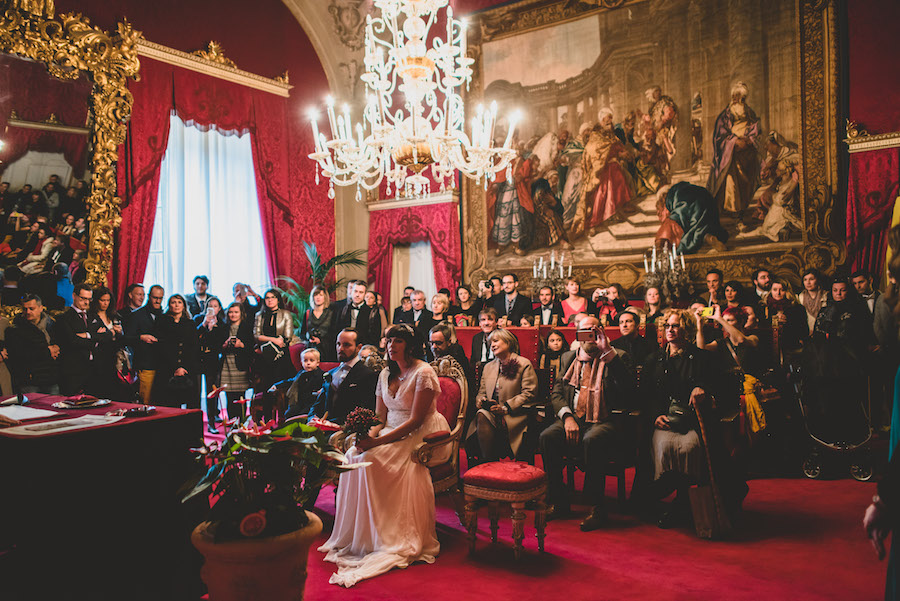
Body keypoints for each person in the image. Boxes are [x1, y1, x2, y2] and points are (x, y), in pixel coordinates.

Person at [319, 323, 450, 587]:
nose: (391, 346)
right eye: (388, 341)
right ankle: (366, 534)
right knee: (354, 455)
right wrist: (368, 436)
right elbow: (380, 417)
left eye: (397, 341)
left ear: (410, 345)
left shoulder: (423, 372)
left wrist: (377, 445)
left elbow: (415, 421)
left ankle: (389, 535)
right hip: (391, 429)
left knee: (373, 460)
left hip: (421, 434)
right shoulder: (384, 374)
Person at [540, 316, 634, 529]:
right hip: (574, 417)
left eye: (593, 331)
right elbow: (557, 393)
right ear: (577, 335)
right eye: (585, 332)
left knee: (592, 439)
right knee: (547, 437)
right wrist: (567, 417)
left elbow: (628, 391)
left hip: (605, 419)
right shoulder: (568, 358)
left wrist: (608, 353)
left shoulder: (618, 356)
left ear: (600, 332)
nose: (589, 336)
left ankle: (596, 507)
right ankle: (559, 500)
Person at [643, 309, 724, 528]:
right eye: (667, 326)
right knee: (664, 446)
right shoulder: (655, 359)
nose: (670, 330)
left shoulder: (701, 358)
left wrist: (702, 388)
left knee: (689, 448)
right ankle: (676, 499)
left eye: (675, 326)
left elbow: (717, 384)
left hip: (692, 421)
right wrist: (654, 416)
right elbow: (646, 395)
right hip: (664, 420)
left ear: (685, 329)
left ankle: (682, 501)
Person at [466, 328, 537, 463]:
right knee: (481, 413)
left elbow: (529, 393)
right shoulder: (488, 367)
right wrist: (480, 400)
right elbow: (481, 391)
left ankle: (488, 464)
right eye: (490, 342)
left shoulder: (523, 363)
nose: (492, 345)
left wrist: (505, 408)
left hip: (514, 415)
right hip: (491, 413)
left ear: (508, 342)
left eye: (496, 341)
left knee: (481, 416)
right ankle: (489, 462)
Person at [706, 81, 761, 229]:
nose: (739, 99)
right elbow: (720, 134)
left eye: (742, 97)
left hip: (746, 154)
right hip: (731, 155)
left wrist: (749, 140)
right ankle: (736, 217)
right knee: (732, 184)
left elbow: (755, 128)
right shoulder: (726, 114)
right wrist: (734, 141)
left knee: (745, 186)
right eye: (737, 96)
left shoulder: (749, 112)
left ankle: (741, 211)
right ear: (733, 96)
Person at [310, 328, 378, 425]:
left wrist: (329, 423)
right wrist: (312, 418)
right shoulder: (330, 373)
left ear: (359, 347)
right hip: (321, 427)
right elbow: (317, 405)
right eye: (338, 344)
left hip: (346, 429)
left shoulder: (368, 375)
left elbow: (365, 412)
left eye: (346, 345)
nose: (340, 349)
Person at [55, 284, 103, 396]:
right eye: (83, 298)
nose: (86, 302)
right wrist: (96, 340)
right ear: (74, 296)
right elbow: (72, 341)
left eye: (89, 299)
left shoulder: (93, 316)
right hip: (74, 371)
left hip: (95, 370)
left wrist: (87, 335)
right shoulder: (64, 318)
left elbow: (107, 335)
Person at [7, 294, 59, 394]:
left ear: (41, 308)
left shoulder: (52, 326)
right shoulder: (15, 329)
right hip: (29, 381)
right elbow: (20, 354)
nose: (28, 312)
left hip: (51, 379)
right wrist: (48, 351)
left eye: (31, 308)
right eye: (25, 309)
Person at [154, 294, 199, 408]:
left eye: (179, 302)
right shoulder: (161, 321)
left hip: (187, 368)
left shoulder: (190, 323)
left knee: (191, 403)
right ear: (169, 305)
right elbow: (162, 346)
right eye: (173, 302)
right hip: (167, 368)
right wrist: (176, 367)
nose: (176, 305)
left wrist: (183, 367)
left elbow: (193, 347)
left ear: (184, 305)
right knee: (170, 404)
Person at [123, 284, 164, 404]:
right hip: (145, 365)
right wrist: (141, 337)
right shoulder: (136, 315)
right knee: (145, 402)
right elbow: (126, 339)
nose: (157, 301)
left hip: (163, 365)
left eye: (160, 298)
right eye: (155, 297)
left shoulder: (165, 315)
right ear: (149, 297)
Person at [216, 302, 255, 421]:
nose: (233, 315)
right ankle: (232, 423)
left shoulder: (247, 327)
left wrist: (241, 345)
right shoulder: (223, 327)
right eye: (231, 312)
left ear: (241, 313)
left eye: (236, 312)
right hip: (226, 364)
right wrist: (223, 345)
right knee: (228, 396)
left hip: (241, 365)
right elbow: (216, 346)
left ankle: (242, 422)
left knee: (240, 397)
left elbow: (252, 347)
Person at [89, 286, 130, 401]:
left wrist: (119, 332)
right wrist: (110, 333)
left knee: (115, 391)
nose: (105, 303)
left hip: (114, 357)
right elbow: (95, 337)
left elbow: (121, 339)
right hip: (99, 359)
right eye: (102, 300)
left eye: (107, 300)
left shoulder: (115, 316)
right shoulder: (91, 317)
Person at [253, 288, 295, 394]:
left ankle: (282, 410)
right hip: (264, 354)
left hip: (281, 355)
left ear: (278, 300)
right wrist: (273, 339)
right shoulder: (259, 315)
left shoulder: (286, 314)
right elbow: (256, 336)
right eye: (267, 298)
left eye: (273, 297)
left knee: (281, 388)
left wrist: (277, 342)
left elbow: (287, 337)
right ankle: (266, 410)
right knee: (265, 388)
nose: (270, 300)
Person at [195, 297, 226, 433]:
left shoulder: (222, 324)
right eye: (210, 305)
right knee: (195, 392)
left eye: (216, 306)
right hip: (197, 360)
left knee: (211, 392)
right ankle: (195, 420)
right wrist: (204, 324)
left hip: (212, 361)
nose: (213, 308)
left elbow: (219, 345)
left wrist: (212, 329)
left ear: (219, 309)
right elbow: (194, 337)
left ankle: (212, 422)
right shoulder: (198, 319)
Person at [277, 348, 326, 421]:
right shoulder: (301, 374)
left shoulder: (321, 374)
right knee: (289, 413)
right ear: (301, 362)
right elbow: (291, 381)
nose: (308, 363)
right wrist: (277, 385)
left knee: (303, 414)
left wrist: (322, 389)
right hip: (300, 402)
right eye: (305, 360)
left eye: (311, 360)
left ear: (317, 363)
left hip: (312, 403)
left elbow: (327, 384)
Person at [761, 278, 808, 351]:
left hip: (791, 346)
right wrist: (773, 322)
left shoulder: (798, 308)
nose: (778, 293)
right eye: (775, 290)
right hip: (768, 346)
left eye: (782, 290)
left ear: (787, 291)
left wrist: (787, 321)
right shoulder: (763, 307)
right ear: (771, 291)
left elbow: (803, 332)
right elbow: (761, 330)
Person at [300, 285, 335, 362]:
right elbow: (302, 333)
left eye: (321, 295)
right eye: (316, 295)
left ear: (325, 297)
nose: (318, 297)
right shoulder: (308, 313)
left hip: (326, 350)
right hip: (310, 349)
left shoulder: (331, 313)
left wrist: (320, 340)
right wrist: (309, 338)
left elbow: (334, 333)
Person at [798, 268, 828, 336]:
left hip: (822, 332)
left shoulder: (825, 295)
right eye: (805, 280)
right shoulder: (801, 296)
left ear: (817, 280)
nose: (808, 282)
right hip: (807, 332)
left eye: (811, 279)